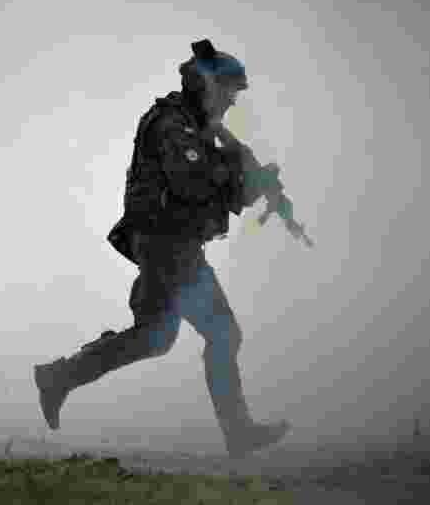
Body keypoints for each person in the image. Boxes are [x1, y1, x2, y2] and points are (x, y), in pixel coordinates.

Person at [34, 39, 290, 459]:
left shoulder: (195, 125)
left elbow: (214, 183)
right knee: (222, 333)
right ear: (204, 85)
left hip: (172, 243)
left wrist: (251, 180)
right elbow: (192, 185)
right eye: (228, 91)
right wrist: (244, 182)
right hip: (167, 243)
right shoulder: (173, 125)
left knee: (154, 338)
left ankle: (59, 377)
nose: (231, 102)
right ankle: (238, 430)